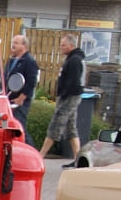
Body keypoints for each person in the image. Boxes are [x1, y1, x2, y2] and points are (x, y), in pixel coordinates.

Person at [37, 34, 87, 165]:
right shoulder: (72, 59)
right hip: (70, 97)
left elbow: (74, 82)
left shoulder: (75, 60)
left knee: (55, 125)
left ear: (71, 46)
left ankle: (40, 155)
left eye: (63, 45)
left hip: (69, 98)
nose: (61, 47)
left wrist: (63, 95)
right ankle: (78, 159)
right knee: (71, 128)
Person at [4, 34, 40, 147]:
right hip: (9, 98)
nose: (12, 45)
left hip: (20, 101)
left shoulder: (29, 61)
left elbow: (31, 81)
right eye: (13, 42)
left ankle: (30, 150)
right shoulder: (12, 60)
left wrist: (22, 97)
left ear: (24, 46)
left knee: (20, 126)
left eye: (16, 43)